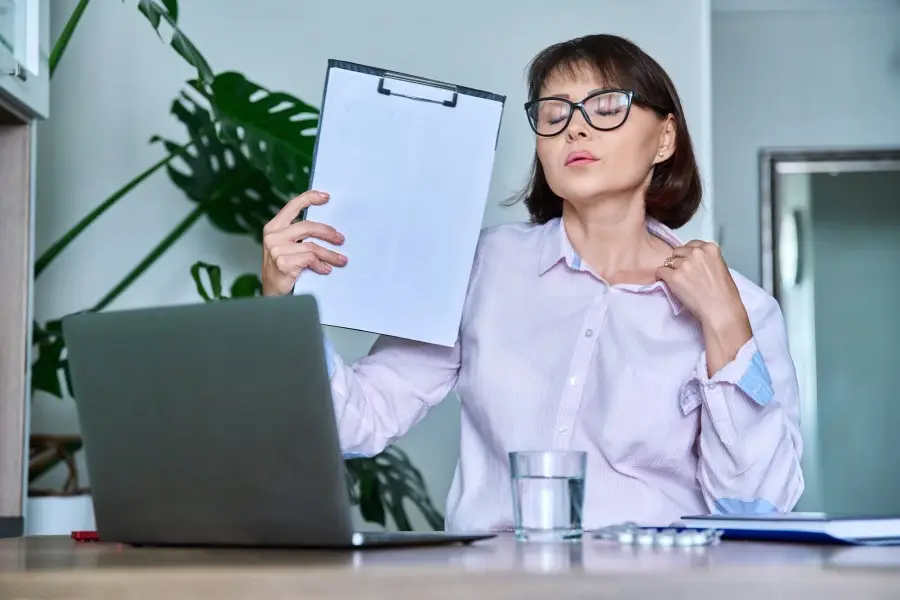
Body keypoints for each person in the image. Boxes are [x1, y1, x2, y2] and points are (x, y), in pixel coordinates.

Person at [260, 34, 804, 532]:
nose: (576, 126)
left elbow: (758, 505)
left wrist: (725, 325)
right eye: (554, 112)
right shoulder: (481, 268)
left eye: (607, 105)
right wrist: (281, 305)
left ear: (665, 138)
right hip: (491, 584)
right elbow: (358, 421)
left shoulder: (743, 308)